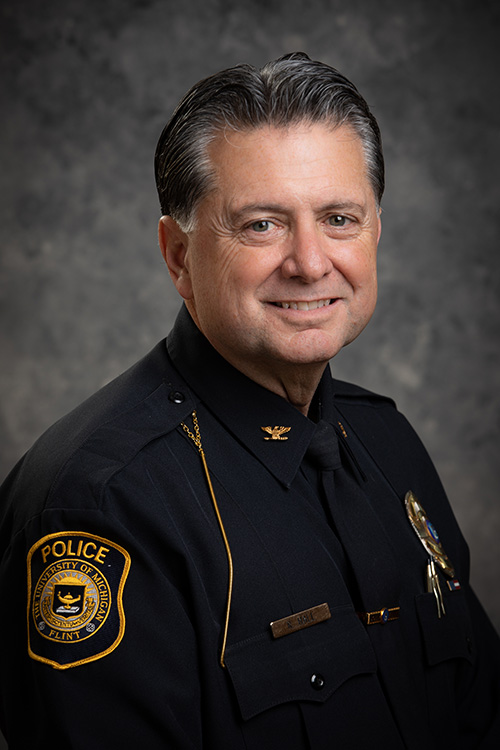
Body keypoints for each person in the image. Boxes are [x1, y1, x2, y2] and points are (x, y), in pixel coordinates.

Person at [0, 52, 499, 749]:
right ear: (178, 256)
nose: (310, 261)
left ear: (376, 231)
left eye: (339, 218)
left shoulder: (388, 443)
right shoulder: (100, 505)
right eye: (262, 224)